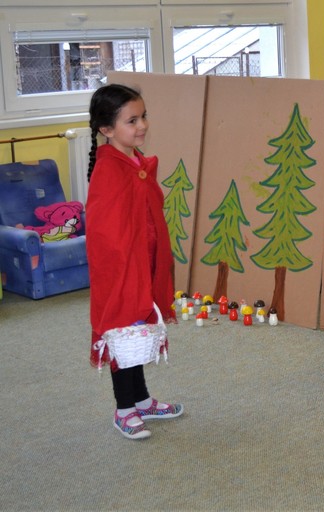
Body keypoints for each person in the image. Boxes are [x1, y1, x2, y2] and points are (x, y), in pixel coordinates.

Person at [86, 84, 183, 440]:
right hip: (122, 269)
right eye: (132, 121)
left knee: (140, 329)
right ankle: (124, 409)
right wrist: (127, 269)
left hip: (143, 261)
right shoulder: (110, 170)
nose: (142, 125)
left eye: (143, 117)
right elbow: (104, 231)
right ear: (107, 129)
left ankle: (142, 400)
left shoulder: (135, 161)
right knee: (122, 333)